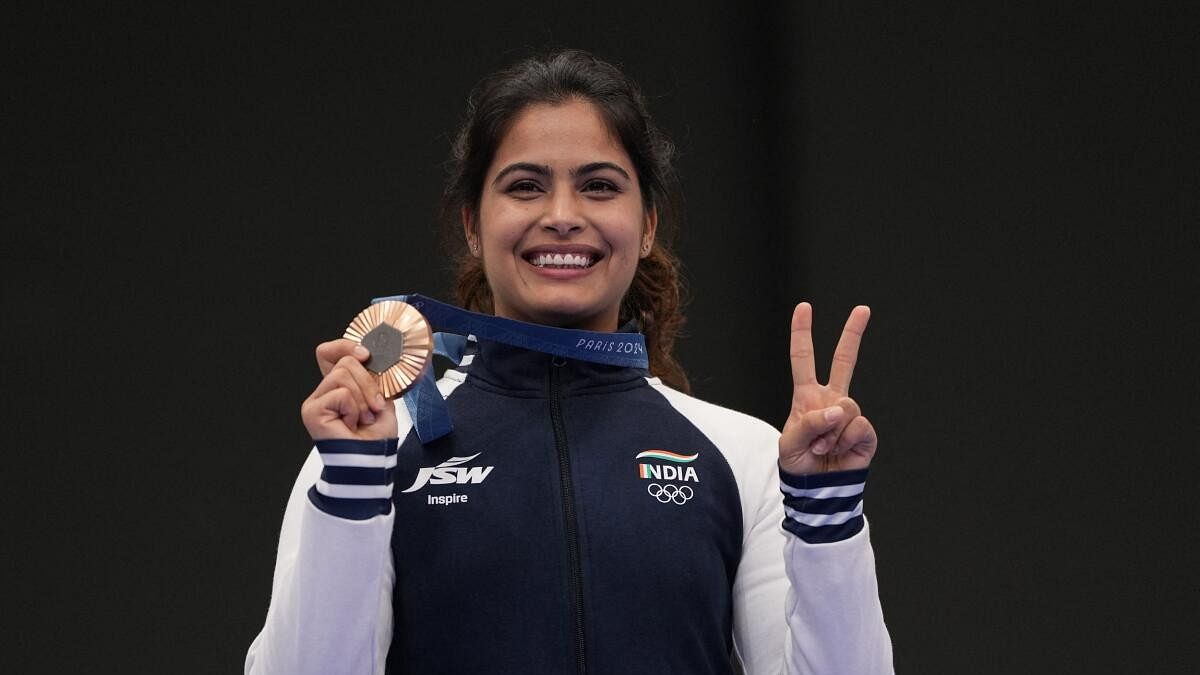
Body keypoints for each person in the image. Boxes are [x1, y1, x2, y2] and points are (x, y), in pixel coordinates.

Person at [245, 49, 892, 674]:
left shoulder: (745, 455)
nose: (561, 216)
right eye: (525, 186)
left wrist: (826, 516)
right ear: (473, 223)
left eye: (599, 186)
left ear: (646, 225)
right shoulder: (376, 444)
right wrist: (354, 485)